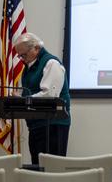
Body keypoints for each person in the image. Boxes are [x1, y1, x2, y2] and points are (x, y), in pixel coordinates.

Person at [13, 32, 71, 165]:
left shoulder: (51, 63)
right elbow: (32, 91)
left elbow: (49, 95)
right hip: (36, 124)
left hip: (53, 125)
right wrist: (20, 96)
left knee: (52, 168)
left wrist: (24, 99)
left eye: (24, 55)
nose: (22, 58)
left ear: (36, 48)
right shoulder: (29, 66)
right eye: (19, 56)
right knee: (38, 166)